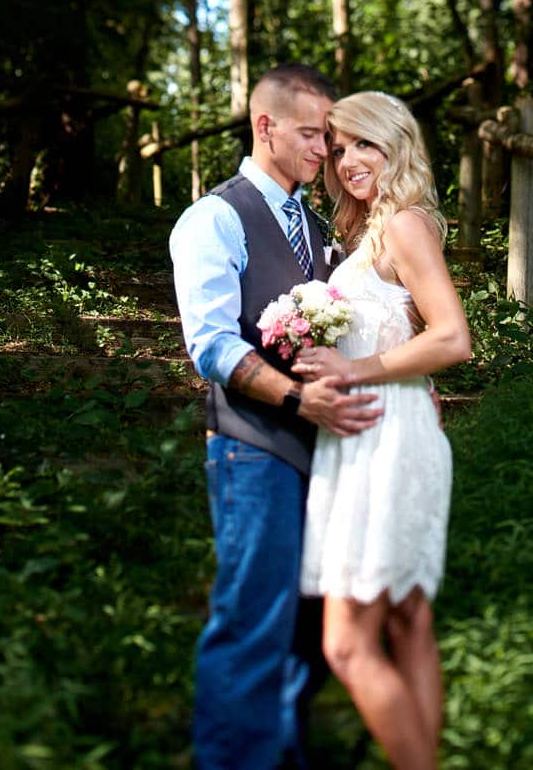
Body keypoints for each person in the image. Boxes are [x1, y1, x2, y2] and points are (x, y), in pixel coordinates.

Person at [170, 63, 383, 769]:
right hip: (255, 445)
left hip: (327, 451)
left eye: (329, 135)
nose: (326, 149)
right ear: (264, 126)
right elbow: (211, 343)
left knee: (315, 622)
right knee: (254, 618)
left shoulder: (317, 226)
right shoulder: (215, 217)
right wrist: (296, 397)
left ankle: (278, 749)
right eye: (312, 134)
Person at [293, 91, 470, 770]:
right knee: (407, 621)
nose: (348, 160)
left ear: (395, 142)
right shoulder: (370, 229)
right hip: (374, 427)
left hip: (384, 434)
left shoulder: (403, 225)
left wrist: (353, 367)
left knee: (346, 643)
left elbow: (454, 337)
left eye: (363, 143)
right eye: (338, 149)